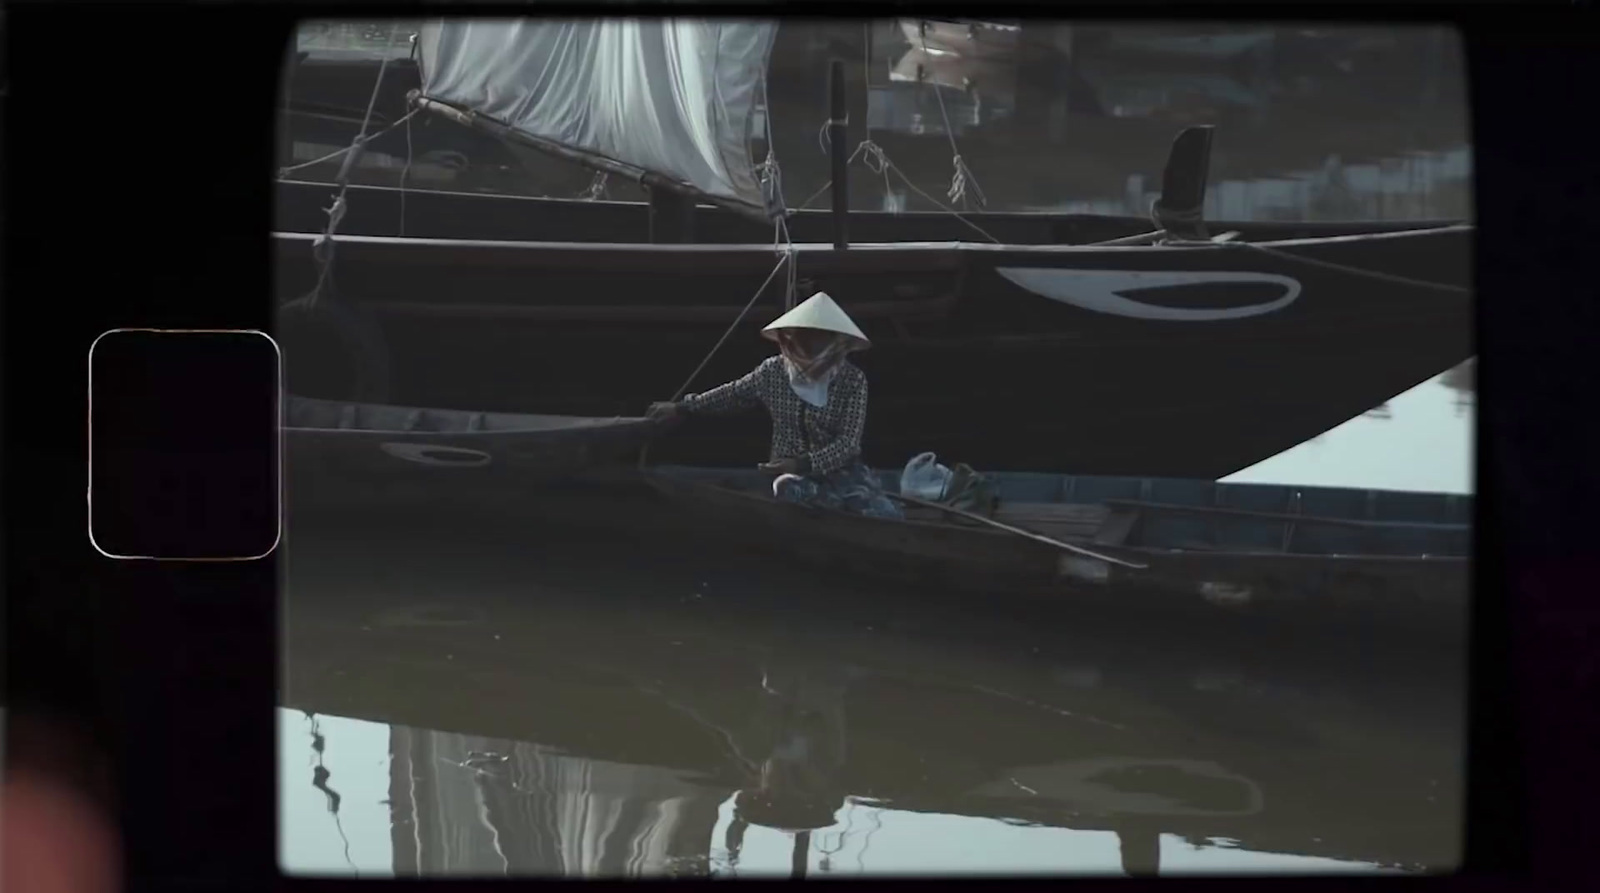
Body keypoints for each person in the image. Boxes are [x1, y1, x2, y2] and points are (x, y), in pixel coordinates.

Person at [647, 292, 903, 520]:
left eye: (820, 340)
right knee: (788, 490)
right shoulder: (772, 371)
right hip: (789, 475)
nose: (810, 347)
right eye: (805, 339)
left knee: (883, 513)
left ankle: (845, 503)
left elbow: (848, 443)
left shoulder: (852, 380)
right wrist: (682, 407)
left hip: (842, 472)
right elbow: (732, 394)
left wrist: (804, 463)